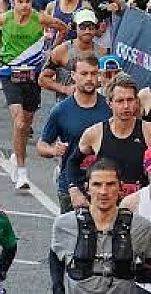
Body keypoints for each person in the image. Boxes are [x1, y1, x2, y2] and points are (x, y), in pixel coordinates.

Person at [0, 0, 68, 191]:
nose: (24, 6)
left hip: (32, 75)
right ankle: (21, 171)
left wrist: (51, 51)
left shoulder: (39, 18)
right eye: (20, 2)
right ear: (13, 3)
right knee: (19, 122)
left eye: (27, 1)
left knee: (26, 125)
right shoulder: (5, 18)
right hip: (9, 72)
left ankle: (15, 155)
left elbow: (62, 27)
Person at [51, 159, 151, 294]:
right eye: (97, 184)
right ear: (87, 188)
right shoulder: (65, 224)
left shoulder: (140, 227)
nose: (103, 191)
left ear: (121, 187)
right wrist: (57, 287)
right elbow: (55, 255)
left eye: (110, 184)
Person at [37, 55, 111, 213]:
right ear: (73, 76)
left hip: (105, 186)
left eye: (93, 73)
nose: (89, 79)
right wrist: (53, 150)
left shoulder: (110, 107)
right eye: (84, 74)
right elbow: (41, 145)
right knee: (71, 229)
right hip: (70, 187)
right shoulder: (61, 110)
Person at [67, 74, 151, 200]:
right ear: (109, 103)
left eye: (130, 100)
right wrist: (75, 188)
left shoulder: (148, 131)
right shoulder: (94, 134)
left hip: (139, 205)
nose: (126, 106)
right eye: (120, 101)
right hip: (105, 204)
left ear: (136, 101)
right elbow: (73, 162)